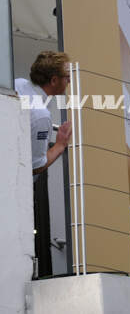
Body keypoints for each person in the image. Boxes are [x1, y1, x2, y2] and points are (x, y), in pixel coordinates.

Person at [15, 51, 73, 278]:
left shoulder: (18, 84)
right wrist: (59, 145)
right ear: (54, 80)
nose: (69, 81)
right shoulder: (41, 116)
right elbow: (35, 166)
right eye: (67, 77)